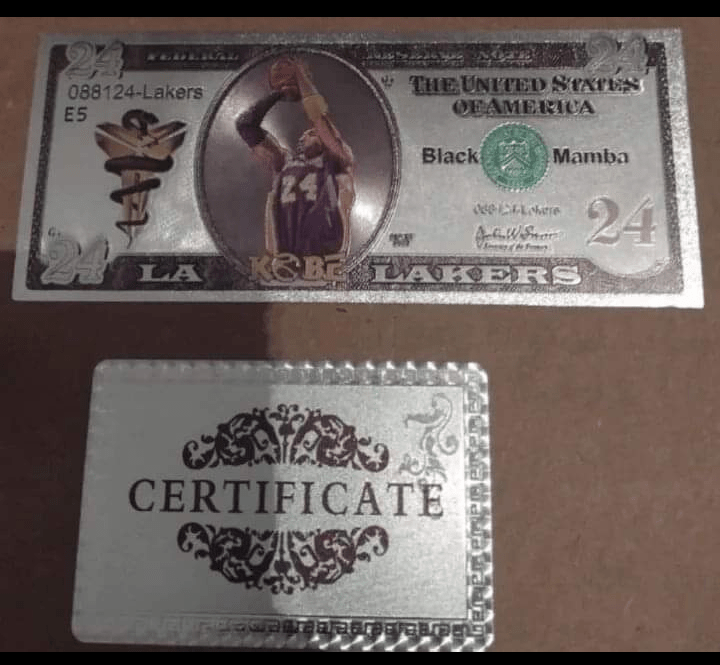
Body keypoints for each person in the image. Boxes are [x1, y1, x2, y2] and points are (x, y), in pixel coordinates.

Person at [236, 57, 355, 259]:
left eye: (313, 133)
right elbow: (245, 124)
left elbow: (318, 118)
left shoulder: (337, 162)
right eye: (305, 135)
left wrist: (300, 77)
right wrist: (277, 94)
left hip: (326, 254)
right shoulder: (283, 162)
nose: (306, 135)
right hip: (289, 254)